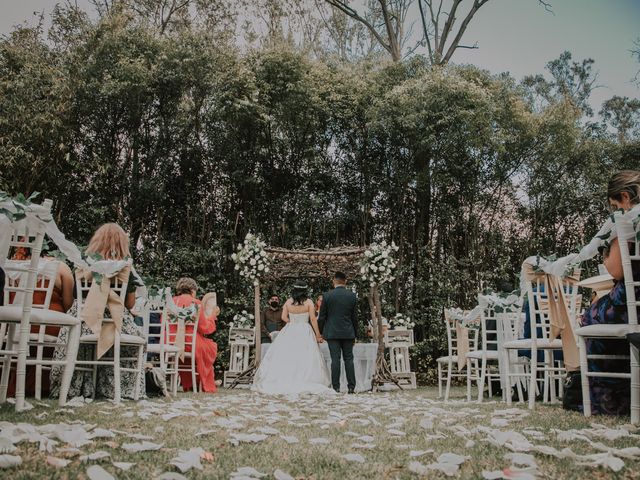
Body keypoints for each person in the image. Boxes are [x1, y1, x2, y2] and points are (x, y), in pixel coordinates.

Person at [564, 170, 640, 414]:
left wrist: (606, 253)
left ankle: (609, 399)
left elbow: (616, 270)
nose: (616, 210)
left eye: (615, 204)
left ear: (626, 197)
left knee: (590, 316)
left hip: (633, 305)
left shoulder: (627, 222)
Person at [50, 223, 145, 400]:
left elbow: (73, 299)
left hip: (83, 320)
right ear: (122, 245)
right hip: (114, 321)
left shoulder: (83, 265)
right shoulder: (125, 268)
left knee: (77, 338)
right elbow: (130, 304)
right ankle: (120, 388)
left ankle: (77, 385)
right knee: (137, 340)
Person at [6, 244, 74, 397]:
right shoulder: (61, 267)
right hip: (49, 326)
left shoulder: (11, 266)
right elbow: (69, 305)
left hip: (13, 328)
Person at [252, 281, 333, 395]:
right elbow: (313, 320)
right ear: (305, 290)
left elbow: (283, 317)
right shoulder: (309, 302)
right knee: (305, 355)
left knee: (288, 354)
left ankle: (286, 377)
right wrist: (318, 335)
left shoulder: (288, 302)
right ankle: (304, 379)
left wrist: (292, 322)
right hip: (305, 330)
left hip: (290, 330)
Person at [170, 277, 219, 393]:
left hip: (171, 342)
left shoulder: (171, 301)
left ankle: (190, 383)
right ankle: (201, 382)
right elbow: (205, 328)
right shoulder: (196, 303)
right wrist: (213, 315)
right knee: (210, 346)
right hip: (190, 343)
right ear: (192, 290)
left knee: (204, 346)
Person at [318, 272, 358, 393]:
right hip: (348, 332)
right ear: (345, 281)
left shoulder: (327, 295)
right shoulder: (352, 296)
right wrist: (356, 334)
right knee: (349, 359)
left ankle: (336, 387)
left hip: (332, 333)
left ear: (333, 281)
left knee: (335, 359)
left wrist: (320, 332)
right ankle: (351, 387)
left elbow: (322, 317)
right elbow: (354, 318)